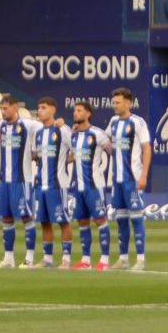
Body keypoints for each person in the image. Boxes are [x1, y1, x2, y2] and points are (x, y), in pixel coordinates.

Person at [105, 87, 152, 271]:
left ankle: (140, 259)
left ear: (128, 103)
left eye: (118, 102)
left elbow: (147, 149)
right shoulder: (114, 122)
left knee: (136, 218)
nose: (114, 106)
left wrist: (144, 175)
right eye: (113, 102)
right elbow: (105, 140)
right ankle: (123, 258)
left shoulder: (137, 122)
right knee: (121, 219)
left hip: (132, 179)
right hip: (117, 180)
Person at [64, 102, 113, 270]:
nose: (75, 113)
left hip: (94, 185)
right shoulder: (74, 135)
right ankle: (85, 260)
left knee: (100, 220)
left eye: (79, 110)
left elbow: (112, 151)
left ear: (88, 114)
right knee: (82, 222)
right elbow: (73, 156)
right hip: (78, 187)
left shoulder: (98, 134)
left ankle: (104, 260)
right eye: (74, 110)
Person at [0, 95, 35, 269]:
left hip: (21, 180)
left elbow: (49, 128)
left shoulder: (29, 125)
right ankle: (9, 258)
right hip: (4, 182)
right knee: (6, 218)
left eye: (6, 108)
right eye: (1, 108)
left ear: (15, 107)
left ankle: (29, 258)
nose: (3, 111)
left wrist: (60, 123)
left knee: (26, 217)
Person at [27, 97, 73, 269]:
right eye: (38, 108)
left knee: (63, 221)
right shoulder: (38, 134)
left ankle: (66, 259)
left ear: (53, 110)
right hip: (40, 186)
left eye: (44, 107)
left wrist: (62, 161)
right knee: (44, 221)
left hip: (57, 185)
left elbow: (77, 150)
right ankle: (47, 258)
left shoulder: (62, 130)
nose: (40, 110)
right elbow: (35, 156)